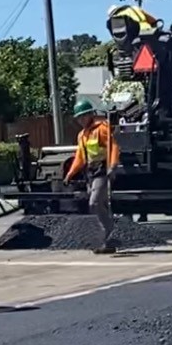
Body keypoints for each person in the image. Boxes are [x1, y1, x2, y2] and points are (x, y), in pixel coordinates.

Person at [63, 99, 119, 254]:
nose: (81, 120)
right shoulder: (82, 135)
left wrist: (113, 166)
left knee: (94, 203)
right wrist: (70, 174)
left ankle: (110, 234)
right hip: (90, 173)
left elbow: (113, 147)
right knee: (99, 206)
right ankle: (107, 242)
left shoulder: (102, 129)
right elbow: (80, 157)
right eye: (79, 117)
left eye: (84, 116)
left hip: (102, 170)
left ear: (90, 115)